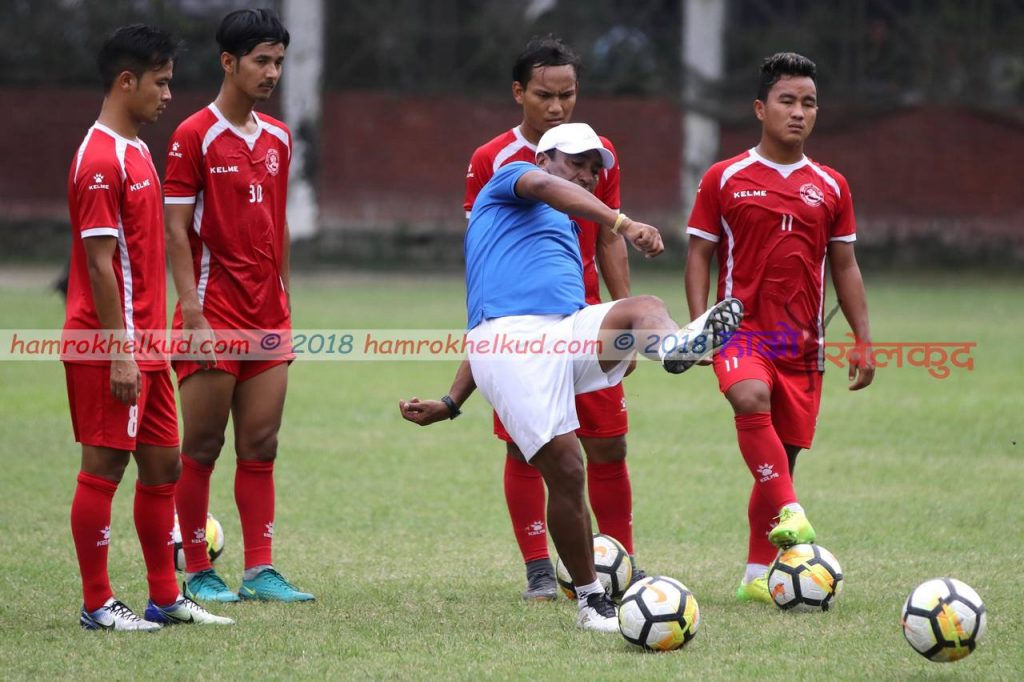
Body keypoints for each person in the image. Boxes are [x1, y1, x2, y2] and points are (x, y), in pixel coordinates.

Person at [401, 122, 744, 632]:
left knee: (643, 306)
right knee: (567, 468)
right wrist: (622, 222)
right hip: (509, 341)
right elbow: (488, 330)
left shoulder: (563, 226)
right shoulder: (512, 177)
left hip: (564, 331)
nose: (587, 175)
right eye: (576, 163)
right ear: (543, 159)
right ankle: (591, 601)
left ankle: (670, 344)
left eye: (594, 169)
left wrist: (450, 403)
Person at [684, 52, 875, 604]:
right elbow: (699, 255)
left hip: (802, 344)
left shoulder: (831, 185)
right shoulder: (725, 177)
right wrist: (702, 327)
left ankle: (754, 576)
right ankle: (793, 512)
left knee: (780, 463)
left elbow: (845, 266)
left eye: (808, 103)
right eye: (787, 101)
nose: (798, 112)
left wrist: (863, 340)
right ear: (759, 108)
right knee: (749, 398)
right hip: (740, 332)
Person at [63, 24, 232, 630]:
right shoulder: (100, 159)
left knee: (164, 467)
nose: (168, 95)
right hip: (109, 346)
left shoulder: (136, 150)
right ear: (126, 81)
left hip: (151, 345)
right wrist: (119, 353)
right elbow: (99, 266)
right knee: (104, 470)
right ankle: (97, 604)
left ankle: (165, 596)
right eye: (160, 83)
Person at [464, 35, 640, 602]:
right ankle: (540, 569)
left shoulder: (597, 152)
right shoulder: (494, 159)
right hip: (519, 326)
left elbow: (607, 238)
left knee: (608, 444)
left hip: (585, 322)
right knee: (526, 448)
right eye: (545, 95)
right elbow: (484, 244)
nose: (558, 106)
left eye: (568, 94)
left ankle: (621, 564)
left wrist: (626, 323)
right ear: (519, 92)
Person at [164, 8, 312, 603]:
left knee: (262, 445)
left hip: (268, 315)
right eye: (261, 61)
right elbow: (175, 231)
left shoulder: (278, 137)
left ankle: (260, 571)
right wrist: (191, 313)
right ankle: (198, 569)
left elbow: (278, 222)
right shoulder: (193, 135)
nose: (272, 72)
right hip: (212, 313)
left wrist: (285, 295)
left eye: (278, 62)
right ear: (228, 62)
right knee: (202, 447)